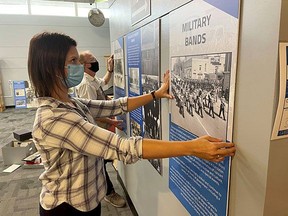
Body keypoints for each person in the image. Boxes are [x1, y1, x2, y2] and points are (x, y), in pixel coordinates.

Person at [27, 32, 236, 216]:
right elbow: (123, 147)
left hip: (87, 200)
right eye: (73, 60)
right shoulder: (54, 118)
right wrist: (191, 147)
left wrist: (156, 94)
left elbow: (116, 106)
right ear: (53, 69)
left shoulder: (71, 103)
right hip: (67, 208)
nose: (80, 66)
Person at [75, 50, 126, 208]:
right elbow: (92, 113)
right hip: (94, 128)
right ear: (85, 65)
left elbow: (103, 82)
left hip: (101, 126)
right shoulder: (85, 85)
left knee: (103, 159)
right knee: (100, 160)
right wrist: (112, 121)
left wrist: (110, 70)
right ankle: (108, 192)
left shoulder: (92, 79)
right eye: (93, 59)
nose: (96, 61)